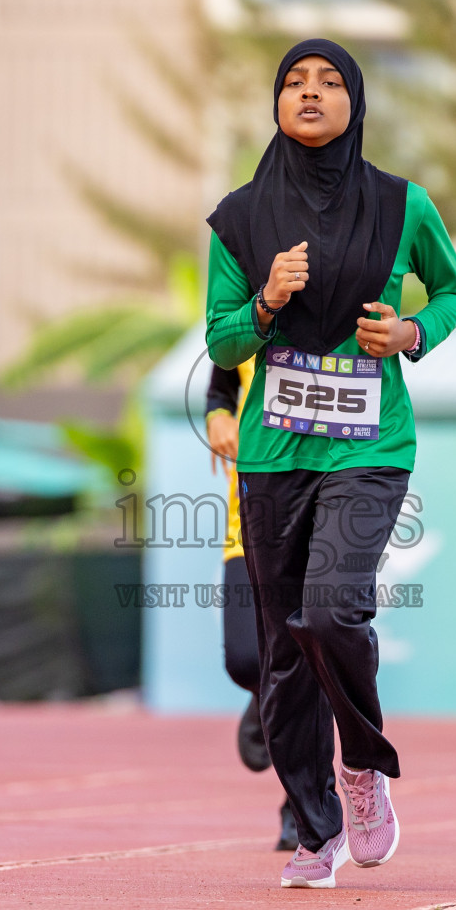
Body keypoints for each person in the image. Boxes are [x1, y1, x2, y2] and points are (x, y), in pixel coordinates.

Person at [205, 39, 456, 887]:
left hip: (370, 449)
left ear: (356, 103)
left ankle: (362, 766)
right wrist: (267, 300)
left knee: (329, 615)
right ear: (276, 105)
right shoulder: (239, 220)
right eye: (294, 82)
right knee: (283, 655)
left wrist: (412, 333)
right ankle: (315, 828)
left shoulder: (403, 206)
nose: (310, 93)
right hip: (274, 456)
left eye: (329, 83)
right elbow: (221, 339)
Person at [206, 361, 298, 851]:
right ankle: (265, 685)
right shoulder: (250, 317)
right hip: (248, 517)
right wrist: (217, 416)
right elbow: (219, 388)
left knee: (310, 661)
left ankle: (300, 807)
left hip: (316, 512)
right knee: (245, 657)